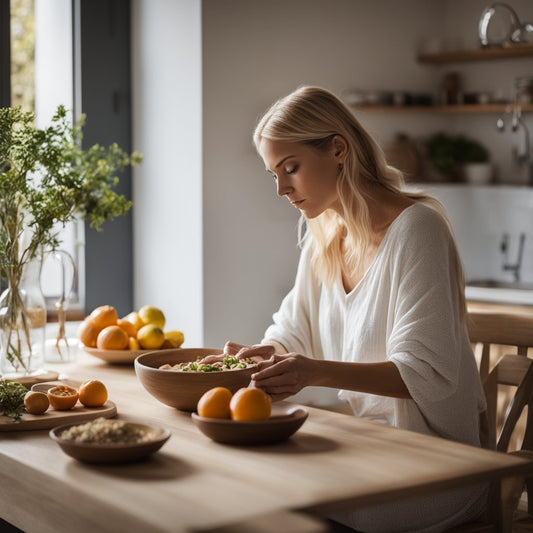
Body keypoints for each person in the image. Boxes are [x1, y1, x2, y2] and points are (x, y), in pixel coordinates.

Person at [220, 86, 488, 532]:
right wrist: (260, 355)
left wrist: (311, 372)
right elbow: (293, 329)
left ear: (338, 149)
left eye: (291, 168)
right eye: (273, 174)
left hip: (439, 467)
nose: (282, 188)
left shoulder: (417, 229)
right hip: (369, 448)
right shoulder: (323, 234)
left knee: (293, 502)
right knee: (251, 483)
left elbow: (426, 374)